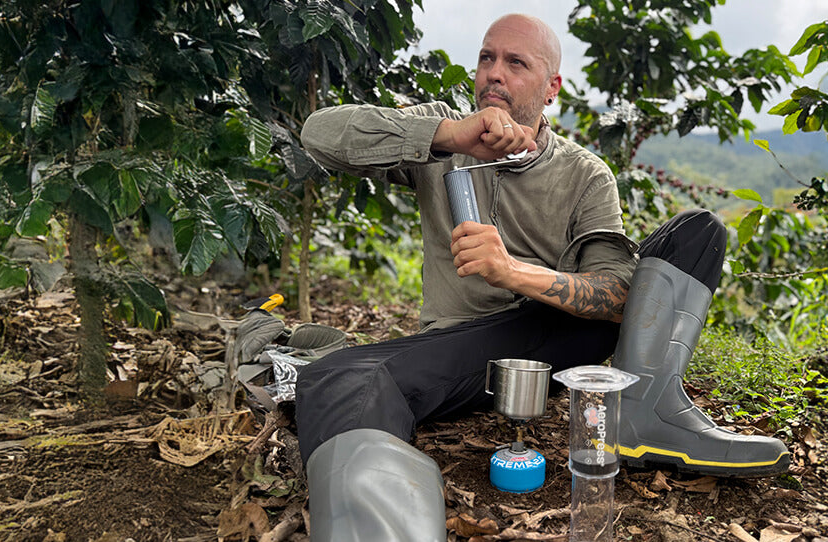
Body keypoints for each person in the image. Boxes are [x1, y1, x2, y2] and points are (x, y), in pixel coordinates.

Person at [298, 13, 790, 541]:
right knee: (347, 378)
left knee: (697, 231)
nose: (495, 74)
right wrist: (447, 135)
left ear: (551, 87)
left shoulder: (583, 174)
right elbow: (320, 134)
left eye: (516, 63)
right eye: (487, 58)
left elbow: (617, 293)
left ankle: (647, 414)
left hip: (548, 343)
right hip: (454, 350)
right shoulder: (445, 132)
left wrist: (512, 271)